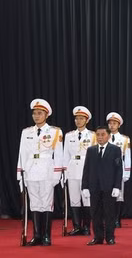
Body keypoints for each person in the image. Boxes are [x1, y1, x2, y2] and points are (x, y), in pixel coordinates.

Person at [16, 99, 64, 246]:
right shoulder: (26, 132)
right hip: (30, 171)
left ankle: (46, 236)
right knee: (34, 204)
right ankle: (37, 235)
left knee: (46, 203)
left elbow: (59, 154)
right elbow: (22, 153)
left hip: (47, 170)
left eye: (39, 113)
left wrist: (57, 174)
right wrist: (20, 174)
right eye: (34, 113)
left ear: (46, 115)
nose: (36, 116)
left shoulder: (55, 132)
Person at [82, 126, 122, 245]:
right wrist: (85, 186)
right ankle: (98, 237)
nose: (100, 137)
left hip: (109, 187)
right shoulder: (91, 150)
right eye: (98, 134)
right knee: (95, 213)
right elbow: (86, 169)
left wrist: (117, 186)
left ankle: (110, 237)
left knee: (109, 213)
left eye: (102, 134)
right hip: (94, 187)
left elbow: (118, 169)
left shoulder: (115, 150)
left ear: (108, 136)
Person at [64, 106, 96, 236]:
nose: (78, 121)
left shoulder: (93, 135)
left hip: (86, 169)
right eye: (77, 118)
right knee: (74, 199)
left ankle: (87, 227)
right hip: (72, 169)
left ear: (87, 120)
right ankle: (77, 226)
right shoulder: (69, 135)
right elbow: (65, 155)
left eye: (81, 118)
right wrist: (64, 173)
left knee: (87, 199)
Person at [106, 112, 131, 228]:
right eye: (110, 123)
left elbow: (127, 156)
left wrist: (127, 172)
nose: (112, 125)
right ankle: (108, 219)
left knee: (119, 195)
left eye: (114, 123)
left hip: (118, 169)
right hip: (105, 169)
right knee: (106, 195)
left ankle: (117, 219)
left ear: (119, 125)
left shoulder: (124, 139)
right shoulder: (103, 136)